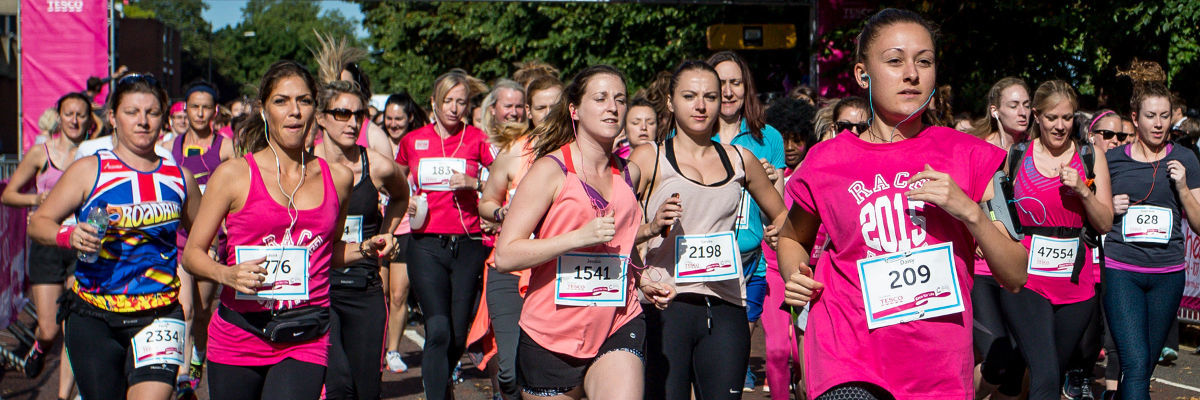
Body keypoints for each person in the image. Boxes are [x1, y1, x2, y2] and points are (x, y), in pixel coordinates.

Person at [777, 9, 1029, 399]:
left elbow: (1015, 275)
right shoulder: (827, 160)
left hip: (937, 367)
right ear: (863, 74)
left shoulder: (970, 155)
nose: (911, 73)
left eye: (924, 61)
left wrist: (970, 212)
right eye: (895, 61)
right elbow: (792, 238)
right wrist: (796, 277)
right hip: (847, 354)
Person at [181, 60, 385, 399]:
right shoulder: (233, 175)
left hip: (305, 335)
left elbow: (329, 252)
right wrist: (227, 275)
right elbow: (192, 255)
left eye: (303, 101)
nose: (294, 111)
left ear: (314, 111)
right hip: (239, 334)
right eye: (281, 101)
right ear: (264, 110)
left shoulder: (338, 178)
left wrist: (366, 249)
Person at [493, 64, 673, 400]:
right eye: (601, 98)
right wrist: (577, 237)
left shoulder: (627, 173)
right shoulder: (550, 170)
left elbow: (623, 246)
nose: (612, 107)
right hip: (552, 332)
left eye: (619, 99)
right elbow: (505, 255)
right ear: (575, 110)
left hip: (617, 319)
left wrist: (642, 277)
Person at [27, 73, 200, 400]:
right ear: (112, 118)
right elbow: (39, 223)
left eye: (152, 113)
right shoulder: (89, 169)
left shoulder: (180, 178)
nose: (143, 122)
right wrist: (70, 235)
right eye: (132, 112)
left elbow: (203, 239)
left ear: (163, 119)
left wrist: (212, 275)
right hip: (94, 314)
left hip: (160, 313)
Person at [633, 60, 788, 400]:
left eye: (710, 96)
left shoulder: (740, 160)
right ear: (671, 102)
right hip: (664, 308)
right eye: (689, 96)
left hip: (726, 308)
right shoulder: (649, 158)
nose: (701, 106)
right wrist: (648, 230)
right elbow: (613, 228)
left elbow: (784, 217)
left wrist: (787, 252)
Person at [994, 80, 1112, 400]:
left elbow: (1104, 223)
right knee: (1046, 377)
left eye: (1067, 117)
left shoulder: (1091, 156)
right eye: (1051, 118)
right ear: (1036, 116)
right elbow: (1000, 212)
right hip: (1026, 278)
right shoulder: (1018, 155)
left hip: (1075, 283)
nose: (1060, 126)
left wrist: (1084, 191)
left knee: (1046, 373)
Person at [394, 70, 495, 400]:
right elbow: (394, 182)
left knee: (455, 335)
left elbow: (502, 182)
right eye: (448, 101)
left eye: (461, 102)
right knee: (436, 329)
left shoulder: (478, 139)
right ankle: (437, 393)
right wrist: (404, 199)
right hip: (425, 244)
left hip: (468, 244)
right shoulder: (413, 141)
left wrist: (475, 184)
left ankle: (441, 382)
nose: (454, 108)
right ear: (434, 102)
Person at [1103, 60, 1200, 400]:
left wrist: (1184, 189)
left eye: (1164, 116)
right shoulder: (1112, 161)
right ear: (1135, 119)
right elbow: (1093, 215)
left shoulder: (1186, 159)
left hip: (1167, 275)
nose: (1158, 124)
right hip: (1122, 272)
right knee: (1136, 360)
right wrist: (1108, 207)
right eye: (1150, 116)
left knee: (1144, 368)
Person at [313, 80, 409, 400]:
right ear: (321, 117)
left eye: (359, 115)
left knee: (366, 390)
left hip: (363, 288)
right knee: (338, 385)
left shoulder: (377, 165)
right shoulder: (304, 165)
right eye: (342, 114)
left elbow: (401, 196)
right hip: (320, 290)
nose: (353, 123)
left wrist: (386, 232)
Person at [705, 51, 788, 391]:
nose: (728, 92)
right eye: (720, 83)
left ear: (746, 88)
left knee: (734, 355)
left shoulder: (769, 138)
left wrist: (767, 181)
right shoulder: (686, 136)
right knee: (707, 355)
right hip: (701, 264)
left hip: (749, 264)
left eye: (735, 83)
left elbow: (778, 212)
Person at [2, 92, 92, 399]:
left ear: (89, 119)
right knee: (50, 329)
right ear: (59, 116)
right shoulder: (41, 154)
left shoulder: (93, 154)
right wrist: (36, 200)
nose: (75, 120)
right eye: (69, 114)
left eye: (81, 114)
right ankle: (40, 347)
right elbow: (8, 194)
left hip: (81, 242)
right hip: (47, 243)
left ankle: (65, 395)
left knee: (74, 328)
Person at [758, 96, 816, 398]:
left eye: (798, 139)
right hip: (771, 271)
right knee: (779, 350)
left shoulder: (815, 173)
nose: (791, 146)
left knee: (801, 355)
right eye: (786, 139)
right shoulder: (765, 172)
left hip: (808, 272)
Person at [380, 91, 429, 374]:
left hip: (406, 229)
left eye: (399, 118)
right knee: (380, 291)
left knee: (399, 294)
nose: (394, 123)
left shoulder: (418, 146)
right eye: (389, 118)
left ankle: (393, 350)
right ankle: (375, 346)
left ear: (410, 118)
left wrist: (416, 201)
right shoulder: (376, 143)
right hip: (378, 227)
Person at [314, 31, 391, 158]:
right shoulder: (310, 133)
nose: (340, 90)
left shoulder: (374, 136)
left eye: (346, 86)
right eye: (335, 85)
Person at [968, 77, 1032, 150]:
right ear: (994, 111)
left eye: (1027, 106)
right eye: (1013, 106)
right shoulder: (978, 147)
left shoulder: (1037, 148)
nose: (1023, 113)